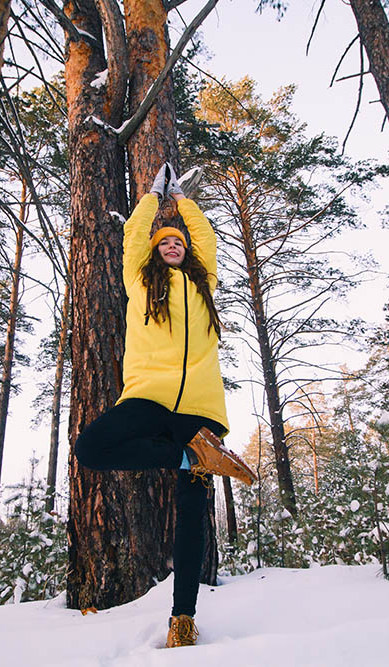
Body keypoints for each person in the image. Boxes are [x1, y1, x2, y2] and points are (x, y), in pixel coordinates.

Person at [74, 162, 256, 648]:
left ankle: (183, 619)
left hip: (199, 410)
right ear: (155, 254)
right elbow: (135, 236)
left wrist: (182, 199)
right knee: (92, 448)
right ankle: (188, 456)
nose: (172, 245)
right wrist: (155, 198)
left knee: (192, 515)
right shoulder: (140, 281)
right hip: (150, 397)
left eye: (178, 242)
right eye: (164, 243)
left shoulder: (203, 284)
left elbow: (207, 238)